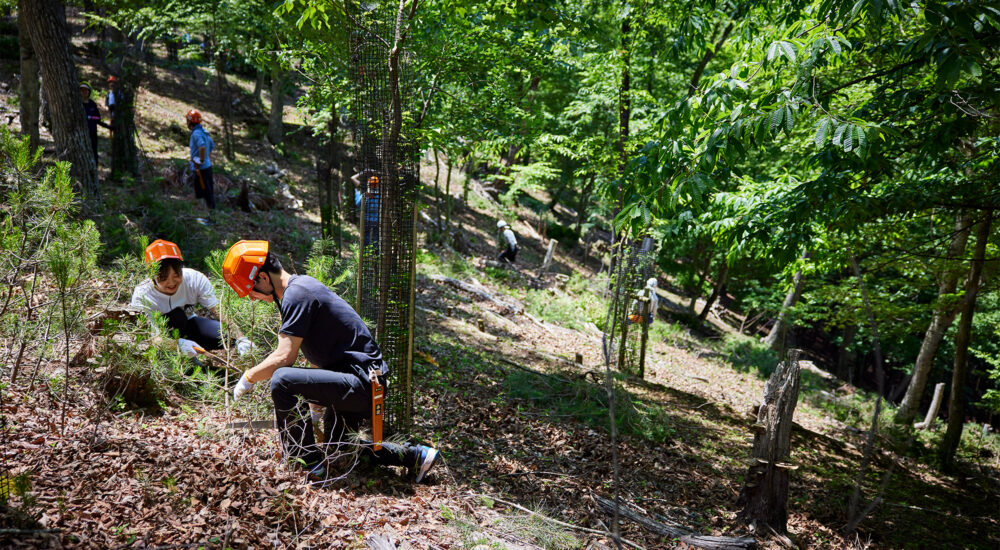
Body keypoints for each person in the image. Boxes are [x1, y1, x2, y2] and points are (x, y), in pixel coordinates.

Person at [224, 240, 439, 483]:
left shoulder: (297, 293)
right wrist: (315, 409)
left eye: (251, 290)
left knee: (282, 380)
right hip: (357, 383)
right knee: (341, 450)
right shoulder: (298, 291)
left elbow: (284, 357)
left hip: (363, 384)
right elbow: (319, 355)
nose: (252, 298)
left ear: (262, 277)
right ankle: (417, 456)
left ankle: (305, 464)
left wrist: (249, 376)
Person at [130, 239, 254, 358]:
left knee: (226, 336)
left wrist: (241, 337)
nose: (171, 282)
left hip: (190, 325)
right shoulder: (143, 295)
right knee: (176, 316)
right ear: (151, 276)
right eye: (163, 278)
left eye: (176, 275)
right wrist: (177, 345)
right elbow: (150, 337)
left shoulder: (194, 279)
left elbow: (220, 310)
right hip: (163, 338)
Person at [186, 109, 216, 213]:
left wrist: (202, 159)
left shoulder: (196, 134)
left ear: (190, 122)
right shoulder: (204, 132)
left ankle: (207, 217)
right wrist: (206, 158)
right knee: (209, 192)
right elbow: (211, 145)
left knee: (202, 193)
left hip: (200, 169)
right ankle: (211, 215)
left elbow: (202, 146)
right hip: (207, 167)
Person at [80, 83, 110, 166]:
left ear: (89, 92)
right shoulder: (77, 104)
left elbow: (98, 118)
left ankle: (95, 167)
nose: (84, 92)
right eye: (82, 90)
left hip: (92, 131)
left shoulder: (92, 104)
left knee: (93, 150)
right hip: (82, 132)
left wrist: (109, 127)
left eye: (86, 90)